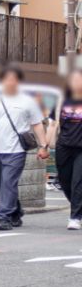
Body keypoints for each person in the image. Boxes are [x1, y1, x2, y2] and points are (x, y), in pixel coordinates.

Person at [0, 65, 47, 231]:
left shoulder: (27, 101)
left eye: (13, 79)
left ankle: (4, 218)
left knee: (8, 182)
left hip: (16, 151)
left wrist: (43, 146)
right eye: (6, 79)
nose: (10, 82)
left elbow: (37, 124)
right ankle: (15, 211)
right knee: (1, 183)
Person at [56, 70, 82, 230]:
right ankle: (78, 206)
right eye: (73, 80)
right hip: (64, 146)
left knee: (77, 181)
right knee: (64, 181)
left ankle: (75, 217)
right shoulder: (63, 100)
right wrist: (44, 146)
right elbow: (53, 123)